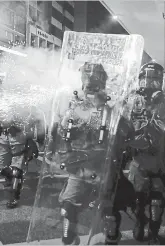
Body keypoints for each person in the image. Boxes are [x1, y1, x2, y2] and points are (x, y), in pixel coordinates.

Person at [45, 62, 135, 245]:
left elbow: (127, 134)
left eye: (95, 80)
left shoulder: (110, 112)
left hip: (104, 169)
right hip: (80, 169)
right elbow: (62, 133)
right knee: (68, 209)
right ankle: (70, 239)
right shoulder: (76, 110)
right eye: (88, 80)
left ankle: (111, 238)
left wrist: (116, 112)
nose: (91, 86)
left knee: (108, 212)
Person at [125, 61, 165, 244]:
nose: (150, 84)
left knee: (157, 201)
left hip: (159, 160)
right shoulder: (132, 101)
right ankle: (140, 223)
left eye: (155, 80)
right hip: (138, 160)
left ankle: (154, 232)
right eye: (147, 79)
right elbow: (121, 123)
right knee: (138, 201)